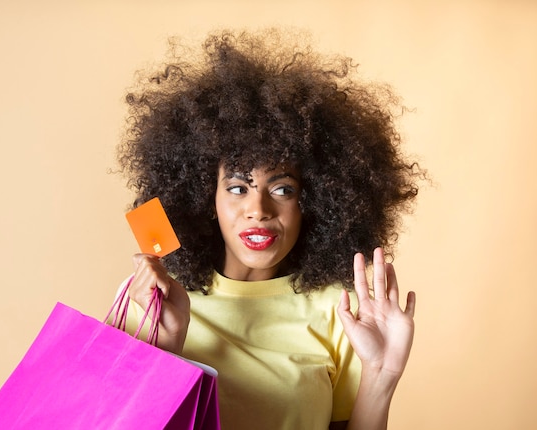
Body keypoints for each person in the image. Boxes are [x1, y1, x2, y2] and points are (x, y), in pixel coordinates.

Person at [115, 28, 424, 430]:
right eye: (238, 188)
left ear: (313, 202)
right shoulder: (153, 300)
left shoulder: (341, 311)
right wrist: (166, 347)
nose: (257, 209)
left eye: (282, 188)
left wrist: (382, 373)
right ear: (204, 196)